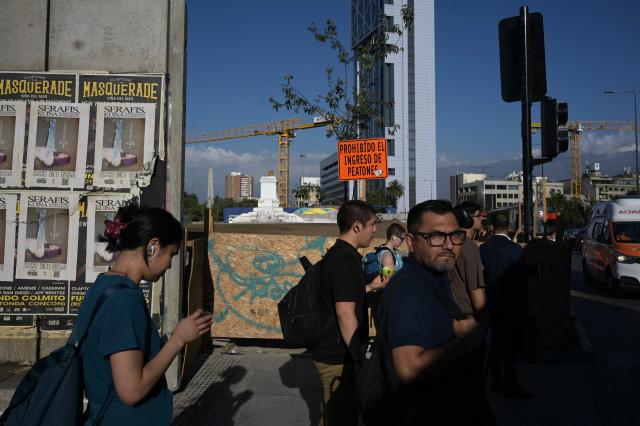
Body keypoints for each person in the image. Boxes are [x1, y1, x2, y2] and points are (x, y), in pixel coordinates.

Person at [77, 203, 213, 425]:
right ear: (153, 247)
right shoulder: (124, 300)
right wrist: (178, 340)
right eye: (172, 254)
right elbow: (132, 390)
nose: (170, 265)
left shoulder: (104, 286)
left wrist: (169, 337)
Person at [384, 200, 485, 424]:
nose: (449, 245)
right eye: (436, 236)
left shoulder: (437, 278)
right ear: (411, 242)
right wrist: (466, 342)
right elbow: (409, 368)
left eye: (455, 235)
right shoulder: (410, 290)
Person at [310, 200, 387, 426]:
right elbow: (345, 313)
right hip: (338, 356)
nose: (375, 230)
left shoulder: (341, 255)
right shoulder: (344, 260)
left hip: (336, 352)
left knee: (334, 415)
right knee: (341, 418)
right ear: (356, 226)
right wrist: (358, 357)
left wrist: (370, 287)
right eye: (372, 224)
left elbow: (343, 295)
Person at [480, 213, 532, 398]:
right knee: (510, 345)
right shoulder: (515, 250)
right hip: (512, 305)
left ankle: (495, 381)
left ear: (493, 226)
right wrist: (525, 306)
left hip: (492, 304)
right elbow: (521, 281)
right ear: (508, 226)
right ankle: (510, 381)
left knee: (495, 343)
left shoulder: (484, 249)